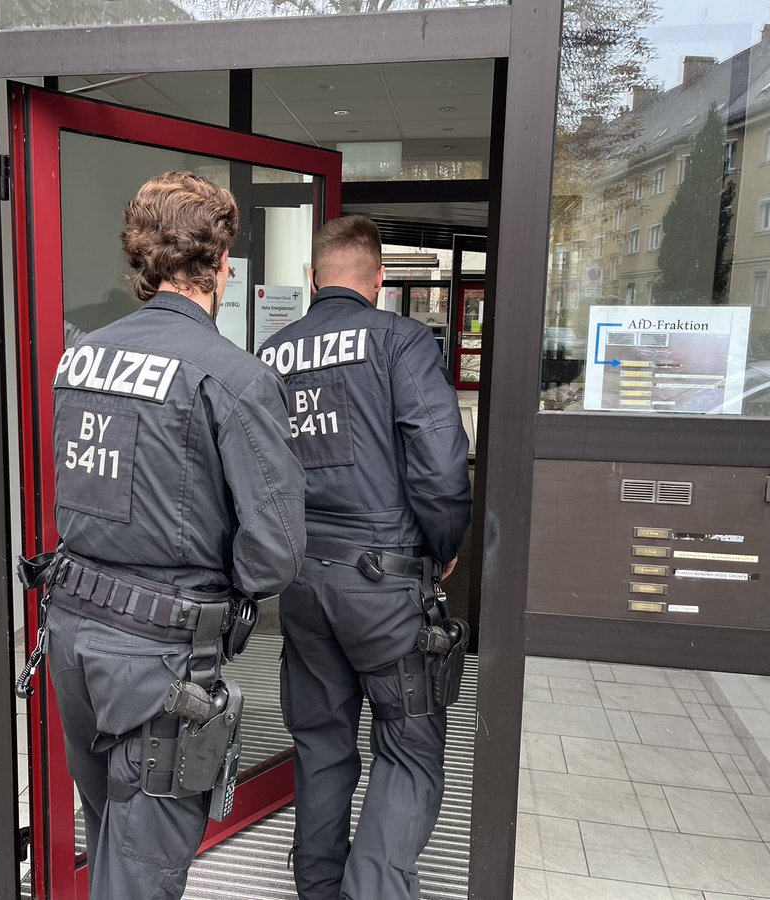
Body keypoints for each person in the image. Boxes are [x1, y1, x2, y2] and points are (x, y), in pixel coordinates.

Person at [27, 171, 307, 900]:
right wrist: (231, 586)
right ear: (222, 265)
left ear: (141, 260)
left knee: (115, 840)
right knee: (143, 872)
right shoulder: (233, 375)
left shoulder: (81, 358)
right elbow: (276, 551)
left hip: (75, 636)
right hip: (159, 662)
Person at [257, 215, 473, 900]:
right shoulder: (402, 341)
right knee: (409, 751)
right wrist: (445, 547)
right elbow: (440, 464)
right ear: (379, 280)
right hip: (384, 585)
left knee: (322, 744)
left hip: (302, 583)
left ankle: (318, 887)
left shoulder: (273, 353)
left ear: (312, 280)